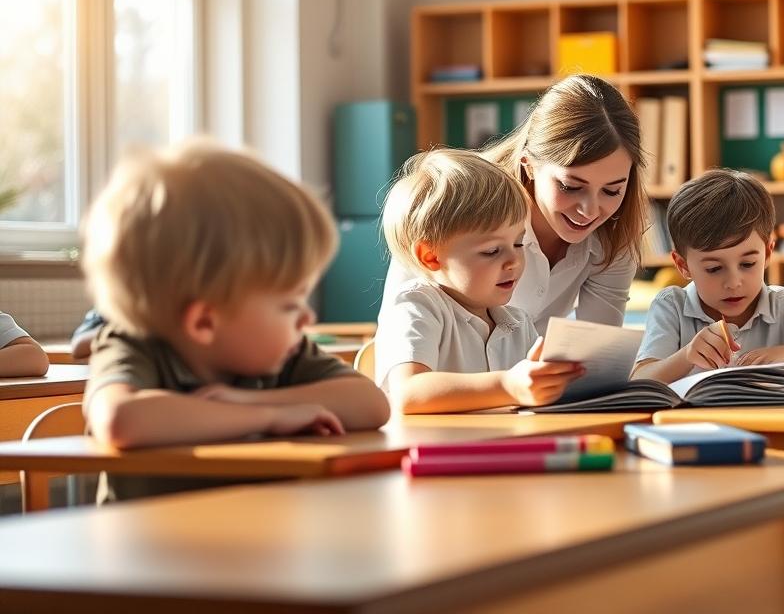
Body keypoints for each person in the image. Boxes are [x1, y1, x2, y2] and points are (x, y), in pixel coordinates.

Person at [80, 141, 390, 502]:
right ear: (205, 322)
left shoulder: (282, 352)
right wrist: (269, 416)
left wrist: (241, 400)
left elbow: (371, 404)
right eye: (289, 305)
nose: (308, 317)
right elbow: (121, 420)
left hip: (257, 545)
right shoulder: (132, 345)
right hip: (149, 551)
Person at [379, 74, 648, 332]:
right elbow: (399, 333)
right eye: (570, 187)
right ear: (529, 165)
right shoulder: (458, 202)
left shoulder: (615, 231)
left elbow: (598, 354)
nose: (589, 210)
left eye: (612, 191)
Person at [375, 149, 583, 412]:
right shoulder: (417, 306)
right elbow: (408, 393)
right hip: (435, 451)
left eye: (519, 243)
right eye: (492, 251)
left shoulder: (519, 323)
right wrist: (508, 386)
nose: (515, 261)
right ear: (430, 256)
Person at [633, 169, 784, 382]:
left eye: (747, 263)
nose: (734, 283)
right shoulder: (671, 306)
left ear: (767, 253)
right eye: (714, 268)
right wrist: (686, 356)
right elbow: (640, 380)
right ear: (683, 265)